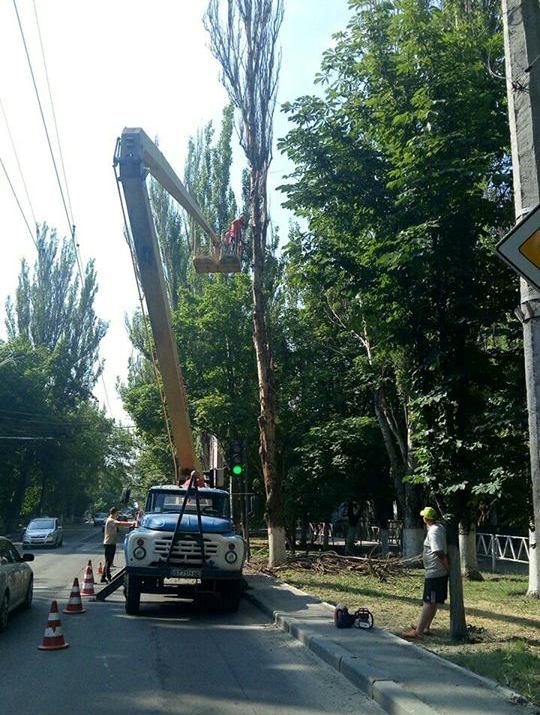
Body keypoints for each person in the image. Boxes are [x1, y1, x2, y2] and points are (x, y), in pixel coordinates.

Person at [401, 506, 449, 640]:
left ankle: (419, 632)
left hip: (435, 572)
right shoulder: (438, 528)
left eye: (423, 516)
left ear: (426, 518)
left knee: (428, 601)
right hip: (437, 571)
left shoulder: (434, 531)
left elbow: (438, 551)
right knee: (432, 601)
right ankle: (426, 627)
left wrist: (447, 566)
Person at [101, 507, 136, 584]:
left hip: (111, 543)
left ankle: (103, 577)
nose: (118, 515)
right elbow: (119, 523)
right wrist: (131, 523)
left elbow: (120, 525)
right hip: (109, 543)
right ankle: (109, 577)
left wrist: (130, 524)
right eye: (117, 513)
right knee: (109, 561)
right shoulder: (110, 520)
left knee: (108, 560)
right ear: (114, 513)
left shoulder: (112, 520)